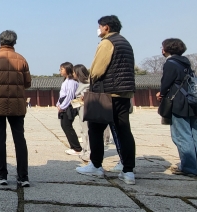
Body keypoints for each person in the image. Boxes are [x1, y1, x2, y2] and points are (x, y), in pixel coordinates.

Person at [76, 15, 137, 185]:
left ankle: (96, 166)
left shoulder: (107, 43)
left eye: (100, 26)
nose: (99, 30)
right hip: (124, 93)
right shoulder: (125, 42)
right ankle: (128, 171)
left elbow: (96, 70)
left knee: (95, 130)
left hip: (107, 93)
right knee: (124, 131)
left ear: (106, 27)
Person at [0, 30, 31, 187]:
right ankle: (23, 177)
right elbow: (27, 83)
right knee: (19, 139)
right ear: (14, 42)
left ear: (0, 42)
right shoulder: (21, 59)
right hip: (17, 106)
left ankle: (2, 175)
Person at [156, 38, 197, 177]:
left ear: (166, 49)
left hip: (178, 102)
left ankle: (189, 167)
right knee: (194, 135)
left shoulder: (170, 63)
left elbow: (166, 83)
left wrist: (162, 93)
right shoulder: (186, 62)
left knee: (181, 135)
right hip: (190, 101)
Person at [57, 62, 81, 155]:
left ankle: (77, 148)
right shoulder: (65, 81)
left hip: (68, 106)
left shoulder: (71, 82)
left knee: (67, 126)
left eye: (62, 69)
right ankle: (74, 147)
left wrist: (62, 107)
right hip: (63, 104)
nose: (60, 71)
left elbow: (70, 96)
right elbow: (62, 95)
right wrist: (58, 104)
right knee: (64, 126)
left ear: (67, 69)